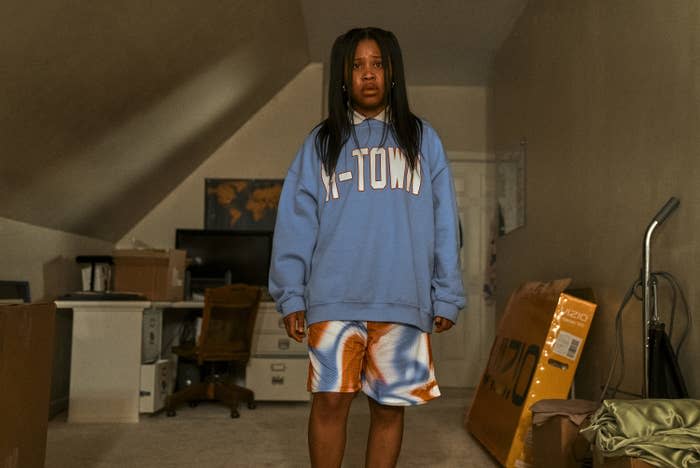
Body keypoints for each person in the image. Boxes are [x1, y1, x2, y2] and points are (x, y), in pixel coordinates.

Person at [269, 26, 465, 468]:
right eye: (357, 65)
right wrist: (291, 293)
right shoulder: (320, 144)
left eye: (377, 64)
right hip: (333, 300)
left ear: (393, 72)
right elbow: (295, 224)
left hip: (402, 299)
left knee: (388, 408)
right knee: (329, 405)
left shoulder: (423, 140)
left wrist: (447, 293)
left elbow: (444, 223)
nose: (368, 74)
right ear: (342, 77)